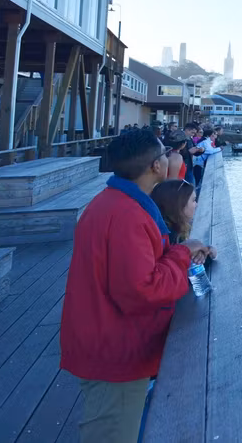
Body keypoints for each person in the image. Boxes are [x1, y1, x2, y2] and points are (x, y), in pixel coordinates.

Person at [60, 129, 211, 443]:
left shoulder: (113, 203)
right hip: (115, 353)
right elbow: (144, 290)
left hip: (106, 340)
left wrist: (177, 252)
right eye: (163, 155)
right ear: (156, 166)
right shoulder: (127, 215)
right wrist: (182, 253)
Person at [151, 180, 218, 256]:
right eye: (193, 200)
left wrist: (204, 253)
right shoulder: (169, 235)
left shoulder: (172, 228)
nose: (196, 205)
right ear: (179, 205)